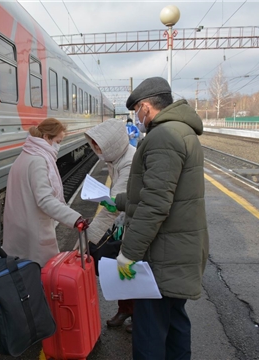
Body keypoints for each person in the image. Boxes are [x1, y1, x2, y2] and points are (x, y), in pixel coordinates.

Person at [114, 77, 209, 359]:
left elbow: (156, 204)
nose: (136, 118)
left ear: (145, 107)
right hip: (179, 249)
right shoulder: (181, 131)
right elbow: (166, 193)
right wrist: (118, 201)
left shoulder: (163, 137)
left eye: (136, 111)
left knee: (150, 331)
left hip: (164, 254)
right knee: (175, 322)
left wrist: (128, 254)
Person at [3, 118, 89, 267]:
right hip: (33, 235)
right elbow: (44, 200)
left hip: (19, 232)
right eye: (58, 141)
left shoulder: (24, 156)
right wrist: (75, 219)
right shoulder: (38, 161)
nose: (58, 146)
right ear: (46, 137)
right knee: (39, 278)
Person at [81, 118, 136, 332]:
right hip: (123, 222)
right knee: (120, 269)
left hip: (129, 222)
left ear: (112, 144)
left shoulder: (129, 162)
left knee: (129, 269)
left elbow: (115, 204)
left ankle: (136, 314)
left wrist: (91, 235)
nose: (97, 151)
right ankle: (126, 309)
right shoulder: (117, 158)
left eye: (100, 146)